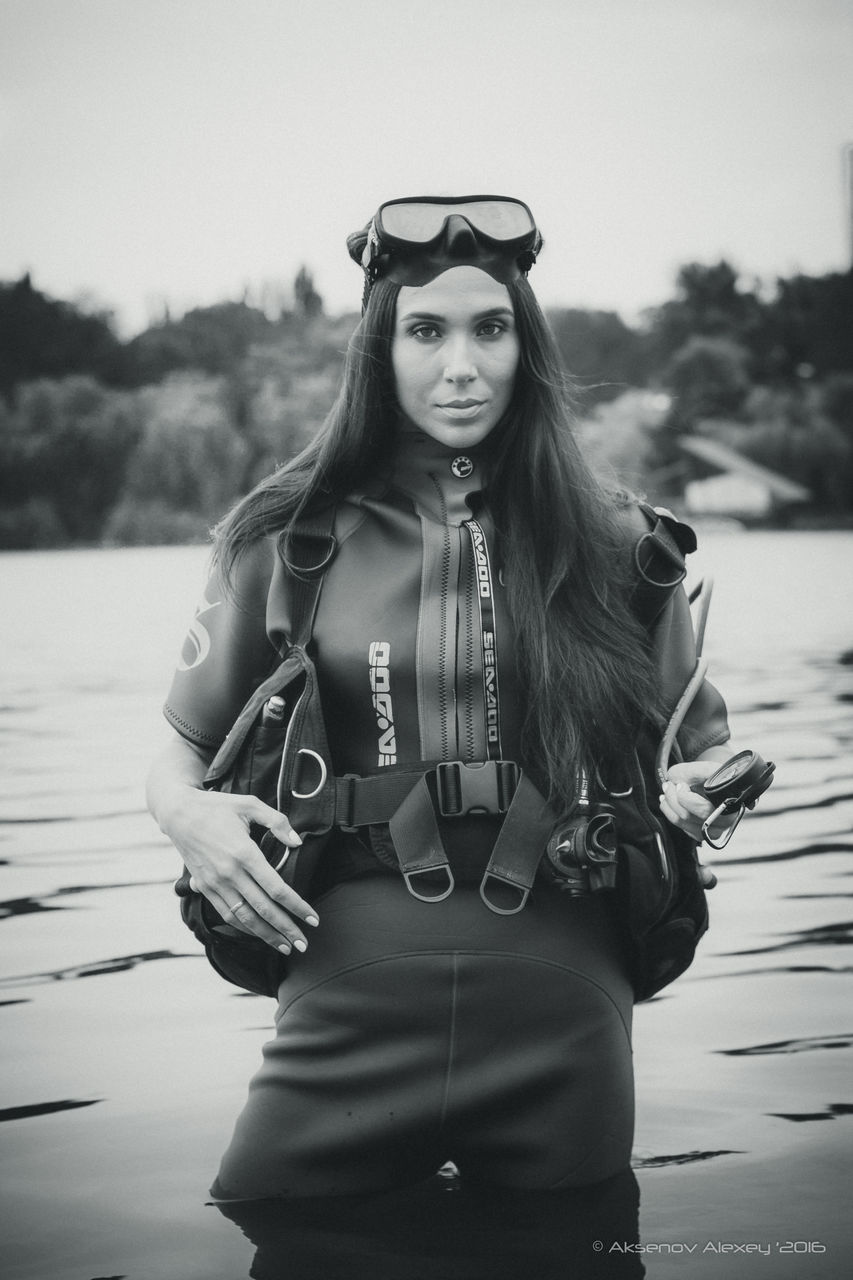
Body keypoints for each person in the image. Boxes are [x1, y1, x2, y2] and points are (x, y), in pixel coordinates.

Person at [146, 194, 734, 1201]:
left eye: (489, 328)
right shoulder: (284, 542)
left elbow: (698, 750)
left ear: (525, 345)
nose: (459, 364)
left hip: (567, 1009)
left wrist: (708, 787)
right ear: (381, 347)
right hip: (344, 994)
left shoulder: (629, 546)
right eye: (426, 330)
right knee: (266, 1231)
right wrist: (185, 813)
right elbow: (178, 753)